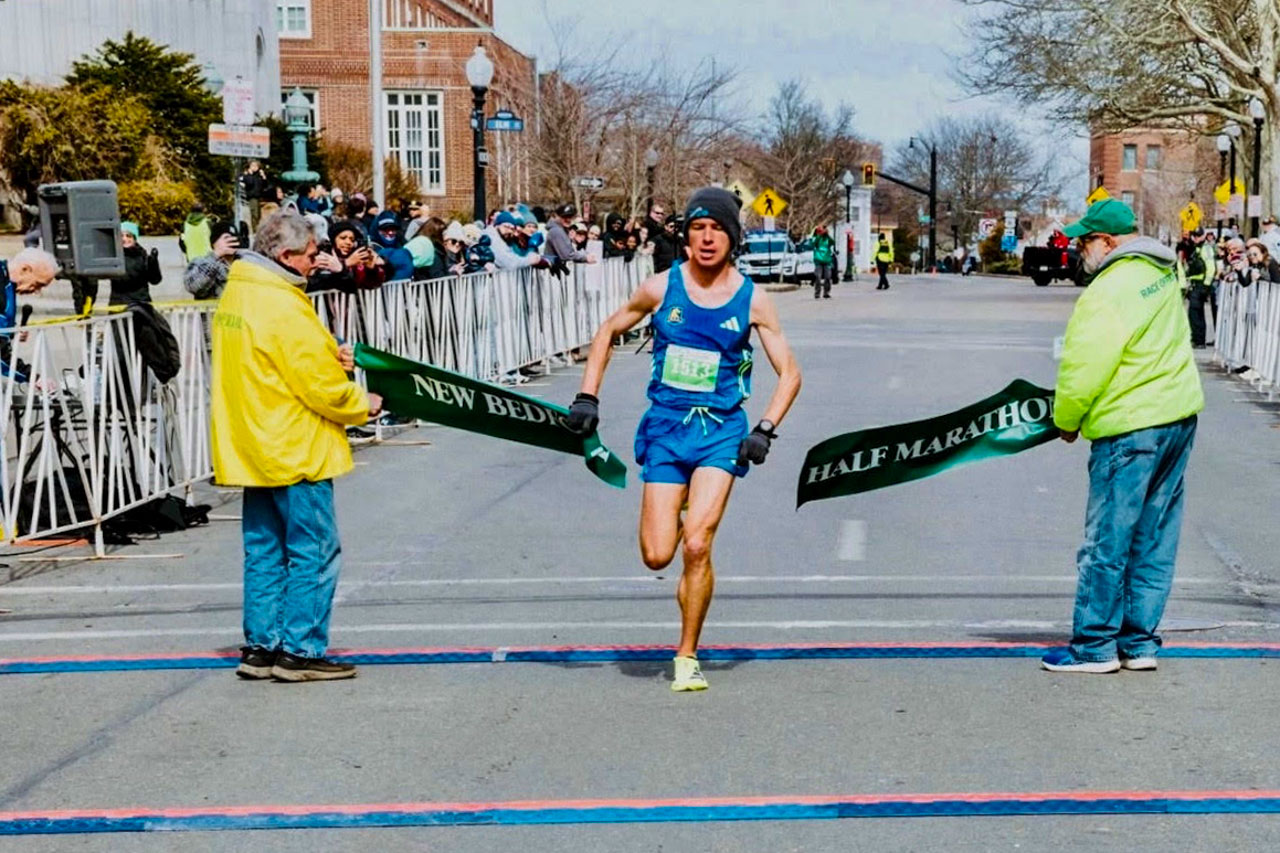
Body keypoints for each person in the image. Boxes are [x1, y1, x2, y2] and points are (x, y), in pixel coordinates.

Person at [565, 187, 802, 692]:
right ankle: (680, 507)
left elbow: (790, 373)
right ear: (687, 237)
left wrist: (764, 428)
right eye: (698, 229)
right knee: (657, 555)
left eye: (717, 229)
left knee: (696, 544)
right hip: (667, 430)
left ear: (732, 238)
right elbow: (607, 331)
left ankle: (687, 654)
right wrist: (588, 396)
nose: (708, 238)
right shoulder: (660, 287)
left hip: (720, 432)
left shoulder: (752, 298)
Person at [211, 210, 382, 683]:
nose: (316, 261)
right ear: (285, 256)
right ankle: (301, 651)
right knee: (313, 550)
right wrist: (360, 403)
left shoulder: (239, 293)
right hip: (294, 443)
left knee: (264, 550)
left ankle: (261, 646)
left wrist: (332, 353)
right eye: (310, 254)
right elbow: (315, 381)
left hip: (252, 441)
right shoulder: (282, 304)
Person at [1042, 198, 1203, 674]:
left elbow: (1084, 365)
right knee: (1154, 536)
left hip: (1130, 425)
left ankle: (1094, 645)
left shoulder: (1109, 289)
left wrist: (1066, 418)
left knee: (1107, 541)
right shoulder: (1162, 272)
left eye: (1085, 242)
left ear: (1108, 242)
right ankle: (1139, 642)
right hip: (1176, 416)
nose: (1080, 250)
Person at [309, 220, 386, 294]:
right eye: (343, 238)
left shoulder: (357, 261)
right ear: (333, 240)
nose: (348, 242)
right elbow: (317, 283)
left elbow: (365, 286)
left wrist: (371, 269)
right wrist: (346, 264)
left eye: (352, 240)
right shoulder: (323, 257)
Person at [183, 221, 241, 300]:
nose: (231, 241)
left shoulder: (244, 261)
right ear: (214, 242)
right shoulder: (199, 263)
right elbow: (194, 287)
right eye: (226, 238)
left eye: (234, 238)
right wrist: (215, 256)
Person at [112, 222, 162, 306]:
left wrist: (153, 263)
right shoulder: (114, 256)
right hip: (119, 304)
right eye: (121, 236)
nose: (124, 239)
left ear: (134, 239)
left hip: (141, 303)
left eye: (128, 236)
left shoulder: (143, 256)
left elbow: (155, 280)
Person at [1184, 229, 1213, 348]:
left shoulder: (1206, 249)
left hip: (1201, 284)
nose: (1196, 238)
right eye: (1194, 236)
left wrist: (1206, 285)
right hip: (1194, 283)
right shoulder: (1197, 248)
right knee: (1194, 313)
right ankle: (1196, 339)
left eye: (1198, 236)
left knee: (1196, 313)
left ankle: (1199, 340)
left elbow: (1210, 267)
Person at [643, 201, 677, 273]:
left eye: (662, 214)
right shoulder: (648, 225)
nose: (660, 215)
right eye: (657, 213)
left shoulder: (657, 226)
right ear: (651, 213)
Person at [239, 160, 269, 231]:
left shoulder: (258, 176)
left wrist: (263, 177)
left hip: (260, 197)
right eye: (253, 165)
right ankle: (255, 229)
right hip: (253, 197)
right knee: (255, 214)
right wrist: (250, 174)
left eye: (256, 166)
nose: (255, 167)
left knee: (260, 215)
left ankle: (259, 228)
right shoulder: (247, 176)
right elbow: (250, 183)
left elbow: (265, 185)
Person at [811, 225, 836, 299]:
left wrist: (827, 235)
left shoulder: (827, 239)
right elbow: (813, 243)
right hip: (818, 260)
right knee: (818, 277)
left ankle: (826, 292)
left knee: (828, 277)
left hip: (827, 260)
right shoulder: (815, 238)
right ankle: (817, 293)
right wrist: (819, 235)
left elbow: (833, 242)